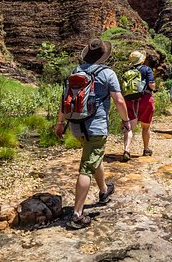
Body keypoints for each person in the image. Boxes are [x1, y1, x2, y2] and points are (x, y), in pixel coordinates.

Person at [55, 38, 130, 229]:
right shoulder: (107, 73)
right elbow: (119, 100)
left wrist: (60, 123)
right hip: (96, 127)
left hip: (76, 126)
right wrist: (125, 120)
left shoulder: (75, 71)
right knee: (86, 167)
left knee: (94, 157)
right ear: (104, 56)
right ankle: (77, 214)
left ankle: (104, 191)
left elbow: (65, 99)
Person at [123, 51, 156, 161]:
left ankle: (126, 150)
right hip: (145, 99)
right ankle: (146, 149)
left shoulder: (128, 72)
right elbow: (151, 85)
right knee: (145, 127)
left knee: (130, 127)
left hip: (130, 100)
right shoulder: (147, 69)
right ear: (142, 60)